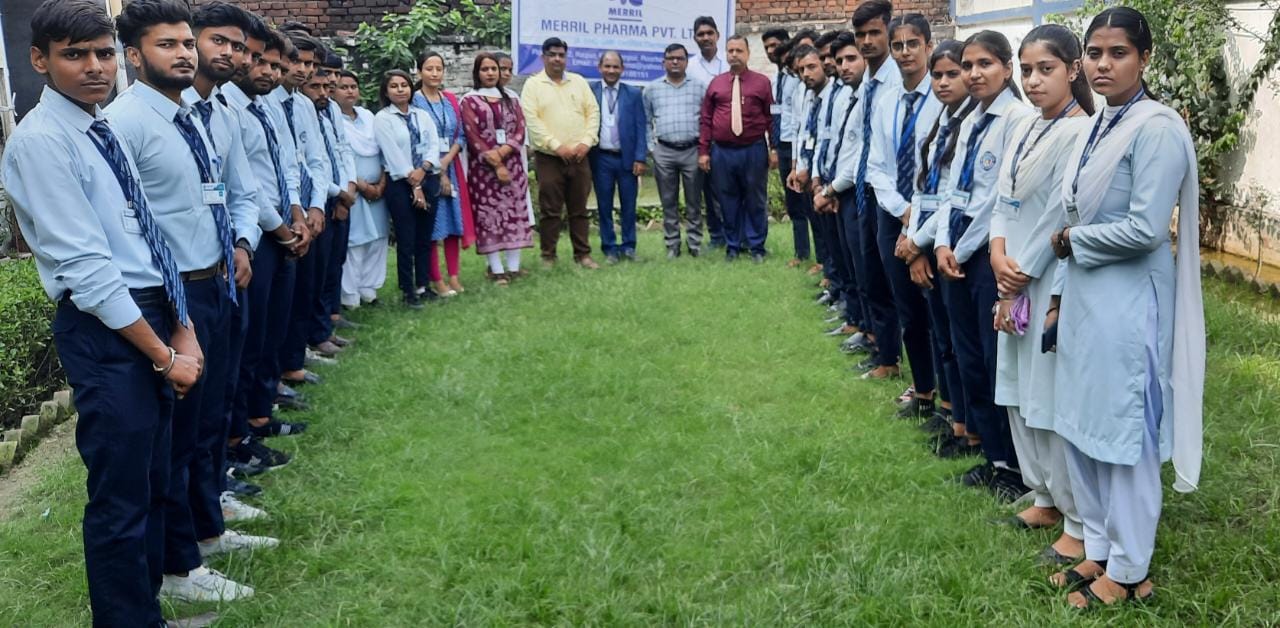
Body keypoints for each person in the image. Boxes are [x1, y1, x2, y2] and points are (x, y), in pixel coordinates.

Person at [1, 2, 203, 624]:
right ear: (39, 60)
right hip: (107, 328)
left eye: (104, 53)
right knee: (120, 495)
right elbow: (88, 270)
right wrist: (163, 355)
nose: (95, 67)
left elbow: (148, 234)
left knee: (152, 477)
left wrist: (184, 325)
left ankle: (152, 602)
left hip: (150, 312)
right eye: (74, 55)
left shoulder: (99, 127)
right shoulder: (42, 142)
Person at [107, 0, 279, 605]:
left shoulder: (199, 115)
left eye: (186, 43)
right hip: (169, 295)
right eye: (170, 44)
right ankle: (179, 568)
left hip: (218, 281)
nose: (184, 54)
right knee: (177, 436)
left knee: (210, 418)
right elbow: (125, 227)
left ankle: (207, 529)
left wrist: (240, 242)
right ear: (134, 56)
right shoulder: (125, 123)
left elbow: (229, 191)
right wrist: (173, 311)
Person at [1051, 7, 1203, 607]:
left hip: (1130, 302)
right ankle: (1099, 546)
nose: (1103, 64)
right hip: (1088, 297)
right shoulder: (1101, 121)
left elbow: (1145, 229)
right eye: (1094, 53)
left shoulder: (1156, 128)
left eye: (1118, 53)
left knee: (1125, 430)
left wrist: (1073, 241)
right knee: (1084, 424)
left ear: (1144, 59)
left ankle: (1132, 569)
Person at [986, 23, 1094, 566]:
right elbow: (1001, 201)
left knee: (1048, 393)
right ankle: (1045, 497)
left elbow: (1059, 215)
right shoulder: (1026, 126)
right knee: (1017, 387)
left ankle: (1077, 518)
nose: (1032, 80)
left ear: (1073, 70)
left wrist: (1019, 273)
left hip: (1049, 278)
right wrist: (996, 254)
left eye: (1045, 69)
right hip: (1011, 272)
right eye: (1026, 70)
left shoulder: (1081, 133)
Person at [932, 30, 1036, 501]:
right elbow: (953, 189)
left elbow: (998, 199)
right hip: (954, 253)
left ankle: (1017, 468)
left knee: (997, 364)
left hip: (986, 257)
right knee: (968, 356)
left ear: (1007, 68)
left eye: (985, 64)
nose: (974, 74)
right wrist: (941, 242)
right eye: (968, 65)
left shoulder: (1017, 120)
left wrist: (962, 247)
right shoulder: (970, 119)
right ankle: (993, 458)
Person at [223, 27, 308, 479]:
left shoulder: (265, 107)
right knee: (247, 342)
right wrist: (281, 230)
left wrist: (296, 213)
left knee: (269, 332)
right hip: (256, 237)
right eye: (260, 61)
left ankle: (258, 416)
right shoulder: (228, 109)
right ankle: (237, 438)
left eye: (276, 65)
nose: (269, 72)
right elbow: (246, 187)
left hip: (279, 230)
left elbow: (284, 164)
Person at [898, 40, 979, 458]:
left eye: (953, 73)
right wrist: (910, 235)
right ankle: (952, 415)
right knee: (941, 334)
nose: (944, 82)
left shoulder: (972, 124)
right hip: (927, 235)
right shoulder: (939, 121)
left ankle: (969, 429)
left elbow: (952, 196)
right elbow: (922, 187)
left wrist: (919, 242)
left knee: (960, 341)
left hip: (949, 242)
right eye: (938, 75)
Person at [865, 13, 940, 414]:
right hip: (893, 212)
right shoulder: (887, 101)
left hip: (935, 215)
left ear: (929, 46)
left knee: (937, 307)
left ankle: (952, 399)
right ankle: (923, 389)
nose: (905, 52)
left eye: (913, 44)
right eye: (898, 45)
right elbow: (876, 166)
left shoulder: (944, 96)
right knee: (907, 307)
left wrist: (920, 214)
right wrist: (903, 209)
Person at [522, 37, 601, 268]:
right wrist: (556, 146)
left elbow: (593, 113)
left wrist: (586, 142)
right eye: (552, 54)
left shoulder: (578, 82)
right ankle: (548, 255)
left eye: (561, 55)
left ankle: (583, 255)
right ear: (543, 57)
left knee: (580, 209)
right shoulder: (533, 85)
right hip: (549, 158)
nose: (557, 59)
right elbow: (532, 120)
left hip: (579, 155)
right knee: (550, 210)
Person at [699, 35, 776, 262]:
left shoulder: (762, 82)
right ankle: (732, 246)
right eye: (730, 51)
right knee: (727, 199)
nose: (734, 55)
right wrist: (704, 151)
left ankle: (756, 247)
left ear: (748, 54)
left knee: (755, 199)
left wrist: (773, 148)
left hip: (753, 149)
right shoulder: (716, 83)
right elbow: (706, 119)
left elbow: (771, 118)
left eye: (739, 51)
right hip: (722, 152)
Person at [461, 52, 534, 284]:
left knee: (514, 214)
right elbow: (472, 135)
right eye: (485, 69)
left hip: (513, 166)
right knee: (489, 217)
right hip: (483, 170)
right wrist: (495, 162)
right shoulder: (469, 100)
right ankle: (496, 269)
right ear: (477, 73)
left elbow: (520, 129)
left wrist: (504, 153)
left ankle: (513, 267)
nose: (491, 73)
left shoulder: (511, 98)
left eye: (494, 69)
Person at [374, 69, 442, 308]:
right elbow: (391, 153)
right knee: (406, 237)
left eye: (404, 85)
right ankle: (408, 290)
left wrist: (424, 169)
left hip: (427, 177)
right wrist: (414, 182)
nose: (400, 89)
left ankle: (423, 285)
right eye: (394, 86)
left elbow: (433, 145)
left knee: (424, 236)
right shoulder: (383, 119)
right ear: (386, 91)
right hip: (400, 183)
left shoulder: (422, 115)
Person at [413, 51, 475, 296]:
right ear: (419, 71)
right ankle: (436, 279)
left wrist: (447, 161)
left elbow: (460, 135)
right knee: (433, 225)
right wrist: (438, 170)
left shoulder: (449, 99)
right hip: (426, 168)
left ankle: (454, 276)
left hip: (451, 165)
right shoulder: (415, 101)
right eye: (429, 69)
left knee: (453, 222)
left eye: (439, 69)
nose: (435, 73)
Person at [644, 44, 706, 259]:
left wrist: (704, 148)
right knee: (668, 201)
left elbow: (706, 120)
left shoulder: (699, 87)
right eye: (671, 58)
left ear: (687, 62)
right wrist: (652, 148)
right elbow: (646, 121)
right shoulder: (652, 89)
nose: (675, 62)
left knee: (694, 201)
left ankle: (695, 243)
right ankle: (672, 245)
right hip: (664, 151)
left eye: (680, 58)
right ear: (664, 62)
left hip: (692, 150)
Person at [336, 70, 391, 307]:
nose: (349, 91)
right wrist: (363, 186)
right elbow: (339, 157)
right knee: (355, 242)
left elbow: (383, 150)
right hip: (354, 190)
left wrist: (380, 184)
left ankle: (369, 290)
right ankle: (350, 295)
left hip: (378, 191)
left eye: (353, 86)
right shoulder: (333, 119)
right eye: (343, 87)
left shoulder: (369, 117)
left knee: (378, 239)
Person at [589, 51, 647, 263]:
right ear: (600, 68)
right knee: (604, 205)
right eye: (607, 66)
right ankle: (610, 248)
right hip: (601, 158)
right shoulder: (590, 91)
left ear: (622, 69)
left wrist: (640, 157)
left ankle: (629, 246)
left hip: (627, 158)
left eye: (615, 67)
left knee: (628, 204)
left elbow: (641, 127)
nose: (611, 70)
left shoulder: (633, 93)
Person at [764, 28, 808, 268]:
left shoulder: (799, 78)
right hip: (782, 144)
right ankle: (801, 252)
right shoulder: (777, 78)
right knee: (793, 203)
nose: (771, 51)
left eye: (775, 45)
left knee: (808, 202)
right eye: (767, 48)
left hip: (797, 144)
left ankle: (824, 259)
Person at [687, 16, 728, 248]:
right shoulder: (690, 67)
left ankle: (736, 233)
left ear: (717, 35)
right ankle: (716, 236)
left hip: (727, 138)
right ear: (695, 38)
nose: (705, 38)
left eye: (709, 33)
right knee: (708, 191)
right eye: (701, 34)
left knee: (730, 189)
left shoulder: (729, 62)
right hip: (700, 138)